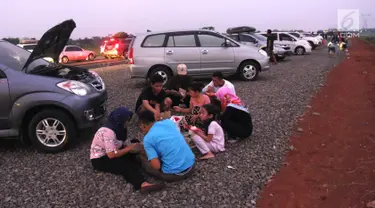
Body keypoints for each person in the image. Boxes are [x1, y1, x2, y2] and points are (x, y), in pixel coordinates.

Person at [90, 107, 165, 193]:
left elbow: (121, 143)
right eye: (126, 120)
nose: (128, 122)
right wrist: (129, 148)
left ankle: (153, 162)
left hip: (114, 150)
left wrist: (133, 146)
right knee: (126, 165)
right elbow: (111, 154)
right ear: (120, 120)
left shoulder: (118, 127)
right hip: (101, 158)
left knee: (135, 145)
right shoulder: (108, 132)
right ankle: (142, 184)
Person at [138, 110, 195, 182]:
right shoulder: (169, 122)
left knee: (142, 159)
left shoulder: (147, 139)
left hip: (175, 174)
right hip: (191, 165)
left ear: (143, 125)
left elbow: (157, 166)